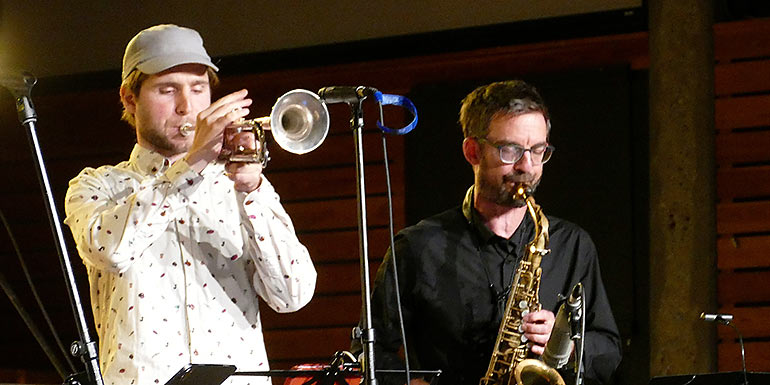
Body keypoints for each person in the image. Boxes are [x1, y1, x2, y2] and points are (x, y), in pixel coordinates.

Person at [64, 24, 316, 385]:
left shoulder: (238, 185)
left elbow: (293, 296)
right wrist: (192, 166)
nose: (187, 107)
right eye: (168, 90)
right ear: (129, 99)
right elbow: (111, 250)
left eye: (198, 89)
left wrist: (253, 191)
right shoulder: (98, 185)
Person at [366, 80, 621, 385]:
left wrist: (566, 345)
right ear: (473, 151)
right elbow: (369, 354)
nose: (527, 166)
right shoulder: (417, 248)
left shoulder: (572, 244)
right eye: (511, 150)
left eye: (538, 150)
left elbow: (609, 351)